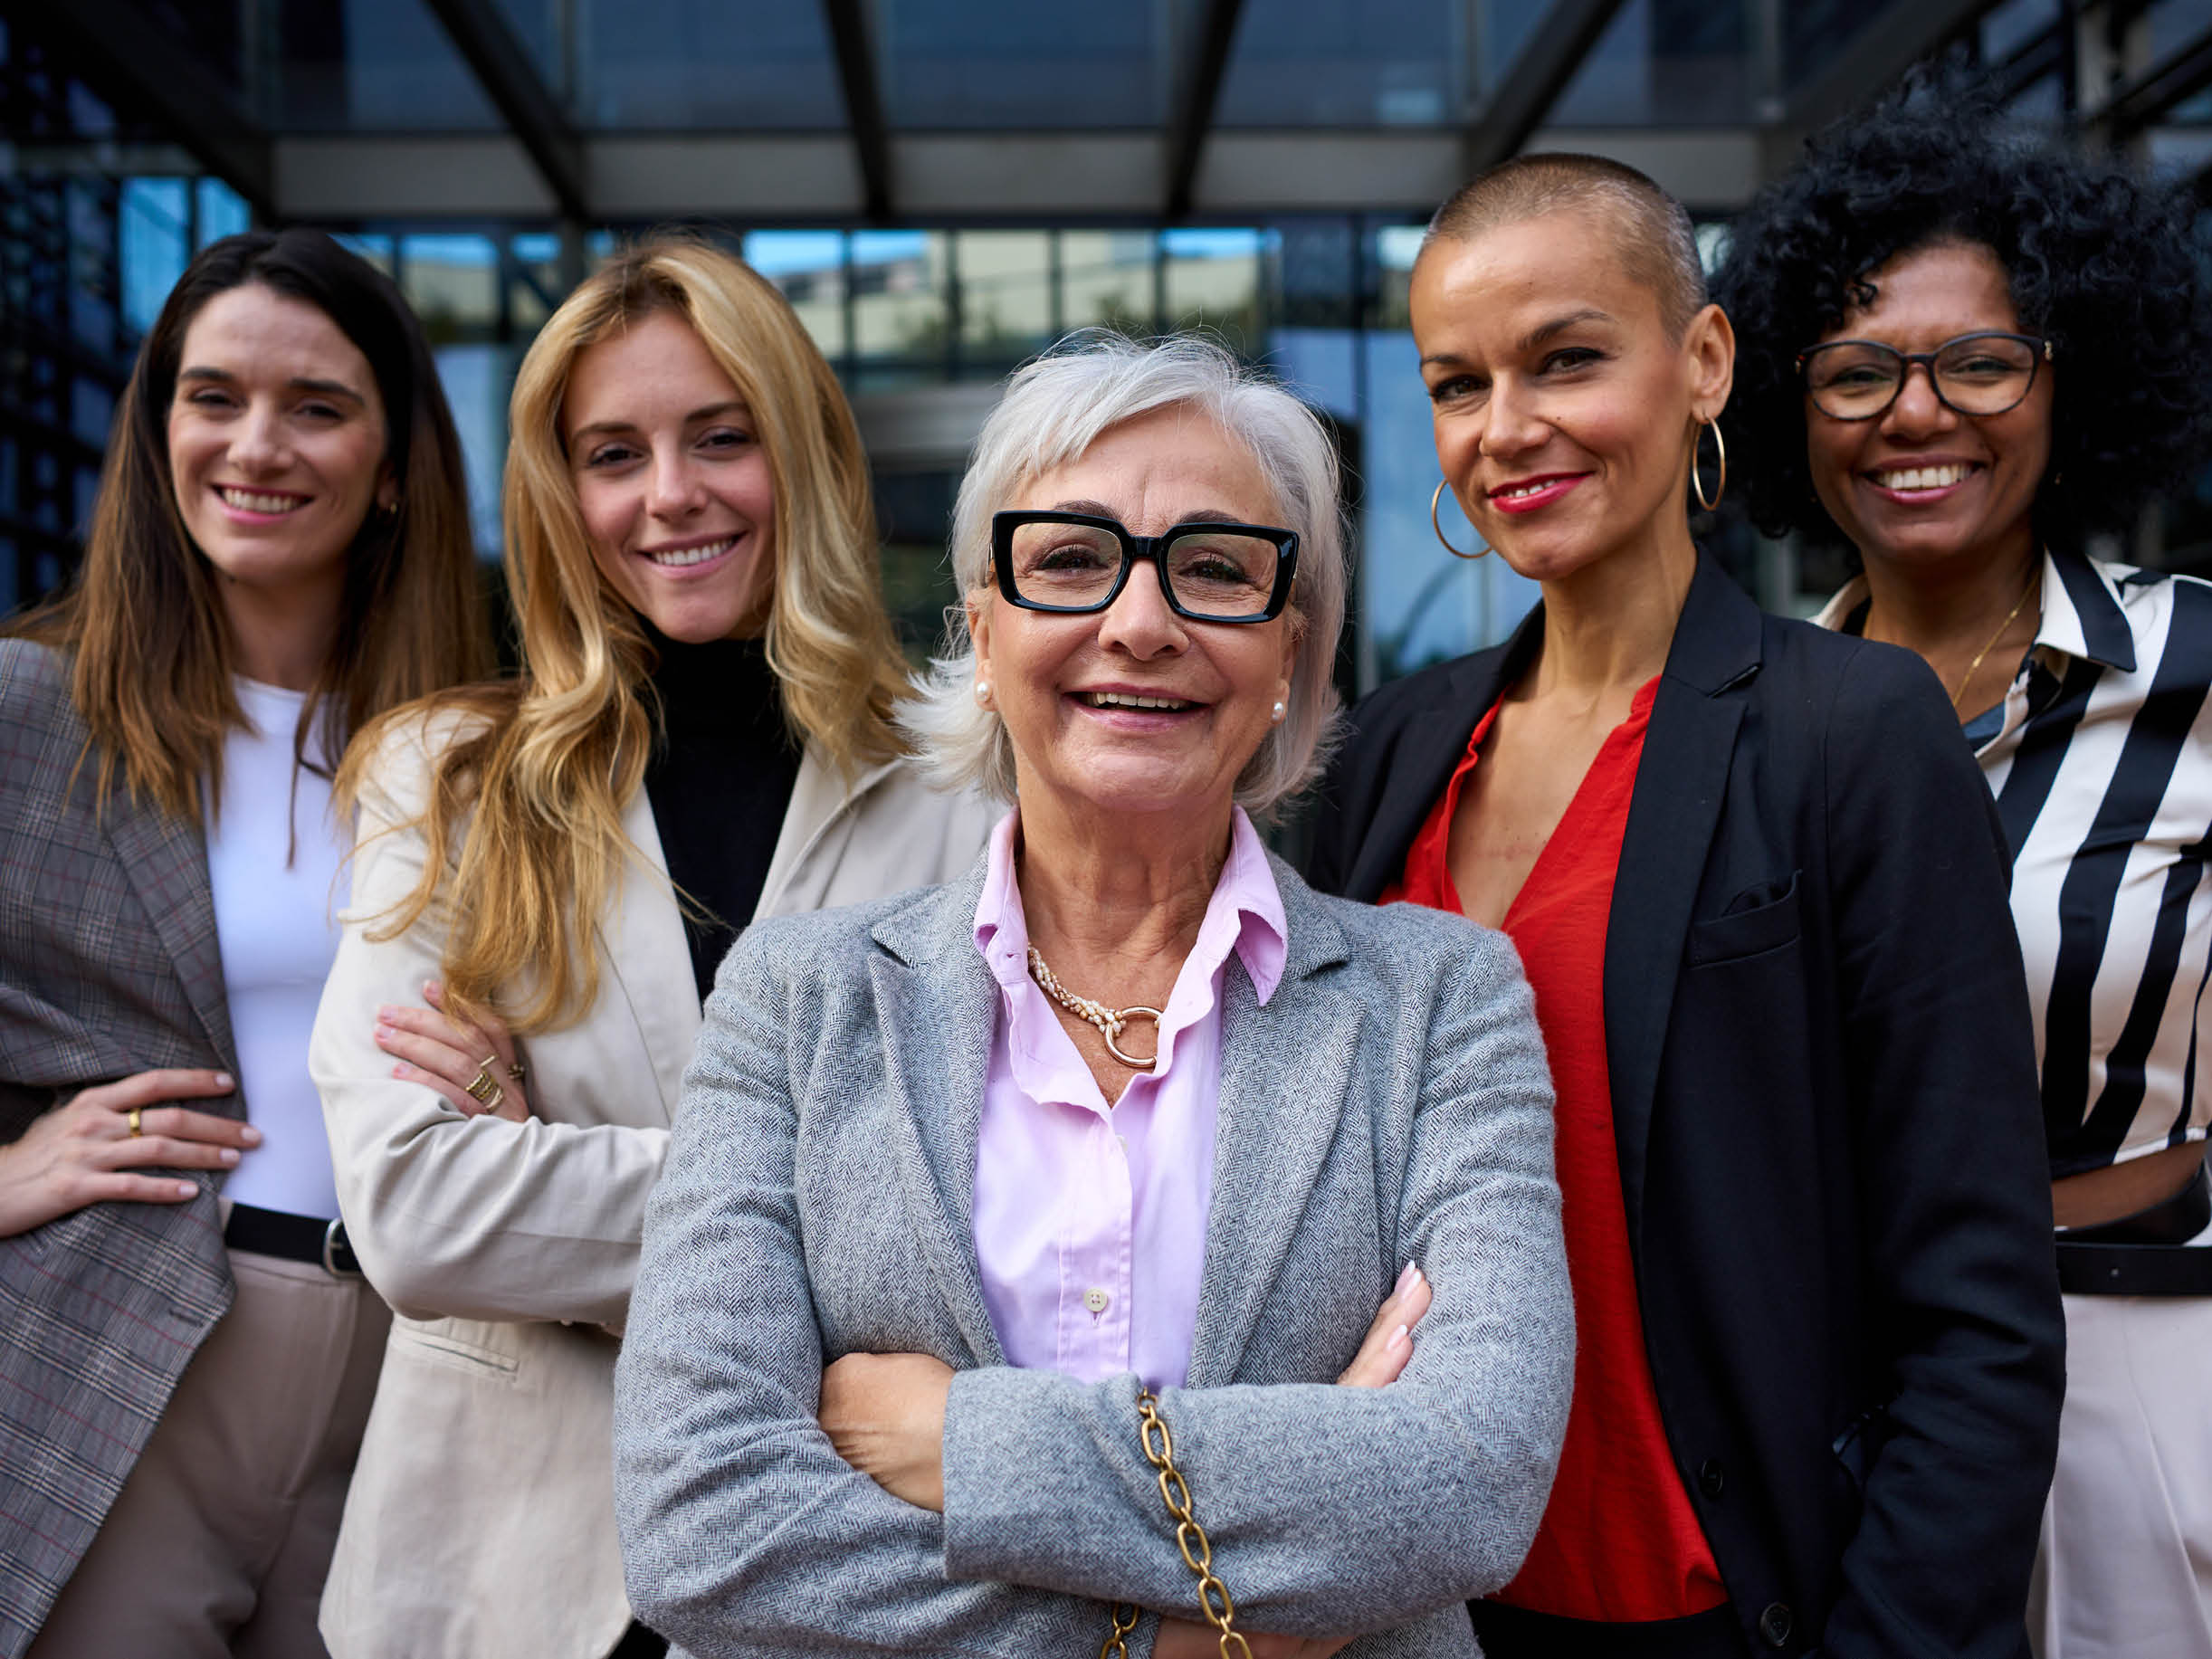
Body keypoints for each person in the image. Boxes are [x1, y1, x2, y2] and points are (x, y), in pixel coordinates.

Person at [611, 334, 1574, 1659]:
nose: (1140, 621)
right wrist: (1178, 1640)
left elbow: (1468, 1479)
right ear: (983, 623)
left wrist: (960, 1439)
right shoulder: (794, 999)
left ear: (1292, 647)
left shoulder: (1444, 1003)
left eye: (1217, 569)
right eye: (1068, 559)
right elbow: (700, 1522)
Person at [1304, 155, 2066, 1659]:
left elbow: (1979, 1304)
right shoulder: (1389, 748)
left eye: (1567, 357)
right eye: (1459, 384)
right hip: (1420, 1611)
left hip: (1733, 1605)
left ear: (1703, 361)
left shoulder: (1851, 728)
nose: (1507, 427)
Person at [308, 236, 996, 1659]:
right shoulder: (442, 782)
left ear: (801, 452)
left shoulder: (970, 782)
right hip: (501, 1572)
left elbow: (998, 1206)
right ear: (563, 496)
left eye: (720, 437)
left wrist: (543, 1155)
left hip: (835, 1561)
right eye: (612, 452)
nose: (668, 493)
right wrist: (818, 1183)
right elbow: (415, 1210)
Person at [1714, 83, 2212, 1659]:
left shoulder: (2198, 665)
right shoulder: (1738, 721)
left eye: (1980, 361)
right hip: (1836, 1396)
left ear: (2072, 382)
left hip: (2143, 1377)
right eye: (1856, 371)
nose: (1915, 413)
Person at [0, 228, 489, 1659]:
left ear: (393, 462)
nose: (256, 445)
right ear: (159, 432)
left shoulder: (478, 749)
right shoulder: (31, 713)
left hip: (418, 1363)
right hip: (133, 1347)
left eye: (317, 406)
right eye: (212, 397)